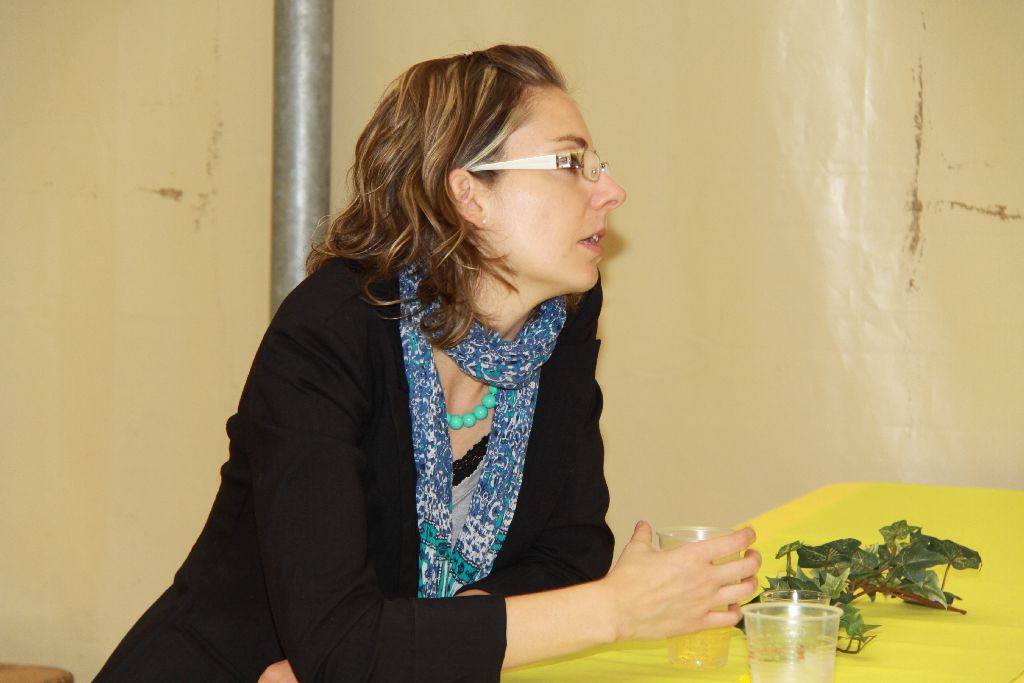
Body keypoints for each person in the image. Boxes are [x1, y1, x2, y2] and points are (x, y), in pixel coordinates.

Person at [95, 44, 761, 683]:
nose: (611, 191)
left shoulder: (560, 317)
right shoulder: (328, 334)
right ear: (469, 194)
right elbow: (342, 645)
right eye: (570, 162)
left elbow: (568, 554)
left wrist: (401, 656)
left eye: (598, 165)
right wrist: (614, 611)